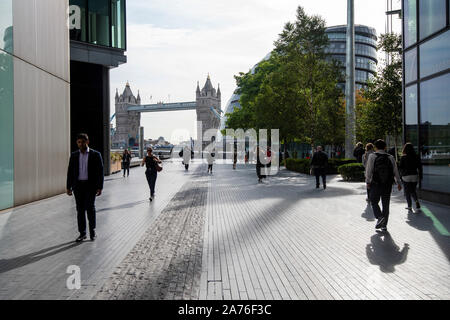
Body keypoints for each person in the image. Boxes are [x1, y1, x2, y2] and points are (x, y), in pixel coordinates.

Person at [66, 133, 104, 242]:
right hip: (78, 187)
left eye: (83, 142)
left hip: (90, 186)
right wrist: (68, 187)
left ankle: (92, 231)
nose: (80, 144)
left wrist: (100, 187)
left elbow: (100, 172)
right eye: (79, 142)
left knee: (90, 208)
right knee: (80, 210)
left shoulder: (96, 155)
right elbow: (70, 172)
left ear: (87, 142)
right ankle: (82, 233)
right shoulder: (74, 155)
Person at [365, 139, 402, 232]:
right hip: (387, 184)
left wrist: (368, 182)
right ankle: (384, 226)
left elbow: (369, 170)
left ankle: (379, 217)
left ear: (375, 147)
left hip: (376, 183)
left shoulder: (372, 156)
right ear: (385, 147)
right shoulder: (391, 157)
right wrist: (399, 182)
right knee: (386, 204)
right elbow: (395, 171)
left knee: (373, 201)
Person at [398, 143, 423, 211]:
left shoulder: (403, 157)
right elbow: (420, 167)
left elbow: (400, 167)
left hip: (406, 176)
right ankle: (417, 202)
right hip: (414, 175)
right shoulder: (416, 156)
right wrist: (420, 176)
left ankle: (409, 206)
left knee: (407, 191)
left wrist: (400, 175)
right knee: (413, 190)